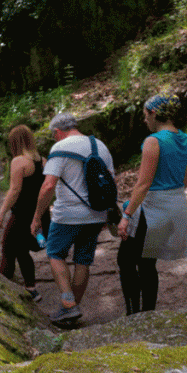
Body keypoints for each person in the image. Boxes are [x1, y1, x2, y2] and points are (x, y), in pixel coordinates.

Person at [30, 113, 114, 324]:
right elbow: (110, 180)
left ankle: (68, 304)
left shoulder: (60, 148)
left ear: (58, 132)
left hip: (67, 214)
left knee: (55, 253)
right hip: (96, 213)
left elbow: (49, 185)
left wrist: (37, 216)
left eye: (53, 135)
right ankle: (71, 308)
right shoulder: (100, 145)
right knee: (83, 260)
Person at [116, 94, 187, 315]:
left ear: (153, 113)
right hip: (176, 205)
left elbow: (143, 184)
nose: (144, 120)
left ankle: (133, 315)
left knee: (126, 260)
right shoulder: (185, 139)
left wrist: (126, 216)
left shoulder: (153, 141)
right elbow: (186, 178)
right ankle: (148, 314)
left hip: (152, 210)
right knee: (147, 263)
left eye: (144, 115)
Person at [0, 125, 50, 302]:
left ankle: (29, 288)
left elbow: (15, 190)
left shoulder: (18, 161)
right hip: (41, 213)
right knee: (14, 248)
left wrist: (1, 213)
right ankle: (6, 279)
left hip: (22, 215)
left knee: (13, 248)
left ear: (15, 142)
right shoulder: (43, 160)